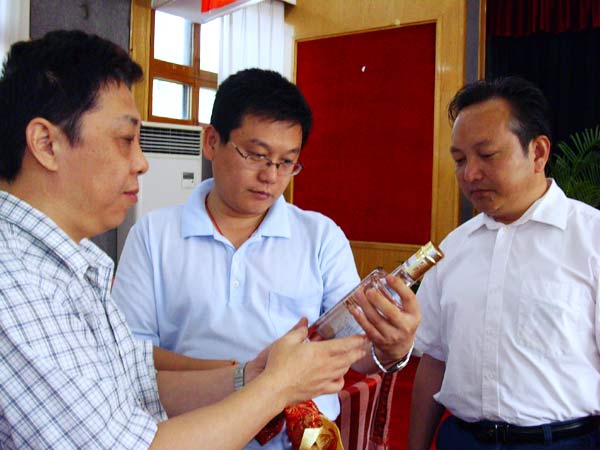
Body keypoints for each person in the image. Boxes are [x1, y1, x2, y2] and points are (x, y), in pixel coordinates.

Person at [0, 30, 372, 450]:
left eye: (286, 162)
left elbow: (137, 380)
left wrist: (252, 375)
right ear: (46, 143)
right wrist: (277, 386)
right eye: (126, 140)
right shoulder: (16, 284)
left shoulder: (75, 264)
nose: (142, 162)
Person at [112, 68, 421, 449]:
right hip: (192, 435)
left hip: (298, 439)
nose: (271, 176)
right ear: (212, 142)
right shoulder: (153, 235)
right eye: (257, 155)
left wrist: (393, 347)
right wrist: (247, 375)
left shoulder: (320, 237)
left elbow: (353, 351)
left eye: (287, 162)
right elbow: (130, 356)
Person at [407, 76, 600, 450]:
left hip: (564, 442)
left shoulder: (591, 239)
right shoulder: (454, 248)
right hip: (463, 440)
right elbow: (434, 360)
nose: (470, 174)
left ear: (538, 153)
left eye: (487, 155)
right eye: (460, 160)